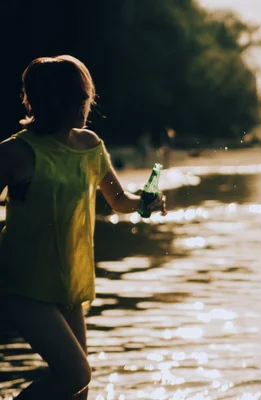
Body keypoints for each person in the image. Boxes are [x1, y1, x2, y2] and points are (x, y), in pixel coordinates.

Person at [0, 55, 167, 399]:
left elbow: (119, 200)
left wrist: (145, 202)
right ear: (48, 99)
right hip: (23, 283)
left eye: (85, 95)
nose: (83, 104)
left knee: (79, 389)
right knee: (75, 373)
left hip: (71, 283)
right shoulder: (16, 152)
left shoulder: (90, 145)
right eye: (74, 96)